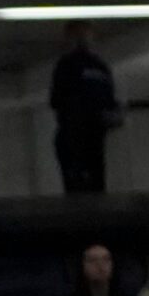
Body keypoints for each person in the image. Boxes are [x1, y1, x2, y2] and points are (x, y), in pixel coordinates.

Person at [49, 21, 121, 194]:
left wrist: (112, 115)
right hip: (75, 136)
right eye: (78, 35)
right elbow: (57, 100)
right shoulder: (69, 66)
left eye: (85, 35)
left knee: (91, 186)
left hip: (90, 137)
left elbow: (109, 102)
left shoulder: (98, 67)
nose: (82, 40)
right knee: (82, 185)